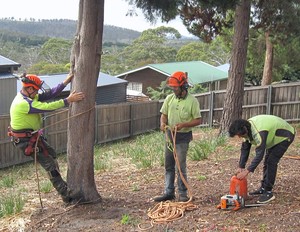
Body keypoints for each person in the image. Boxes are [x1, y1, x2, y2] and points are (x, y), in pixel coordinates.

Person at [9, 73, 85, 203]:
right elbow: (47, 107)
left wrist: (65, 83)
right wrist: (68, 100)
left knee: (52, 155)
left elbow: (49, 95)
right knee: (50, 165)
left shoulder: (29, 97)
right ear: (30, 89)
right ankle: (67, 196)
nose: (38, 92)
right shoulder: (23, 103)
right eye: (36, 89)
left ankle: (63, 188)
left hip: (31, 137)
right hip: (26, 141)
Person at [153, 71, 201, 202]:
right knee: (169, 165)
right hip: (170, 136)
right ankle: (168, 192)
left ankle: (183, 193)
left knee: (180, 166)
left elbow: (198, 120)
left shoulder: (192, 101)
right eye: (172, 87)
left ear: (183, 86)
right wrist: (163, 123)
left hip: (183, 137)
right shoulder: (169, 99)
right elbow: (164, 115)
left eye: (175, 87)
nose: (173, 89)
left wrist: (184, 124)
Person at [228, 114, 295, 204]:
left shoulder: (259, 132)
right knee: (267, 160)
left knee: (271, 161)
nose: (239, 137)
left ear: (244, 129)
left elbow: (259, 154)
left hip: (285, 136)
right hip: (273, 137)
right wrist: (241, 166)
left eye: (240, 135)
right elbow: (245, 148)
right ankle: (263, 188)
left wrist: (247, 171)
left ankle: (268, 192)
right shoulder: (247, 130)